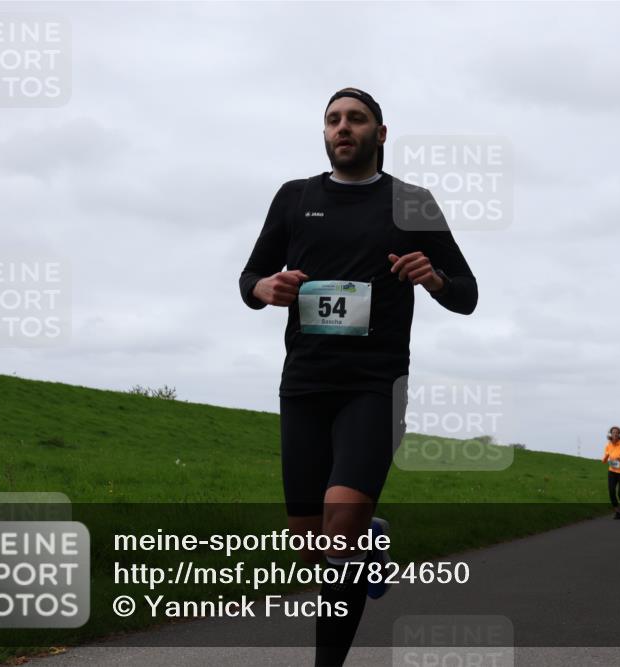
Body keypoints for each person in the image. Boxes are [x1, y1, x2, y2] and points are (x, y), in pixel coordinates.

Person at [238, 88, 478, 666]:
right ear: (324, 133)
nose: (343, 127)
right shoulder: (294, 198)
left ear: (381, 133)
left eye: (356, 119)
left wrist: (435, 277)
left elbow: (467, 295)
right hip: (304, 385)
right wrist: (261, 289)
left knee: (341, 524)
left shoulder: (412, 203)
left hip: (375, 385)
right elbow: (250, 274)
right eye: (333, 120)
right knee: (308, 543)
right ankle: (373, 540)